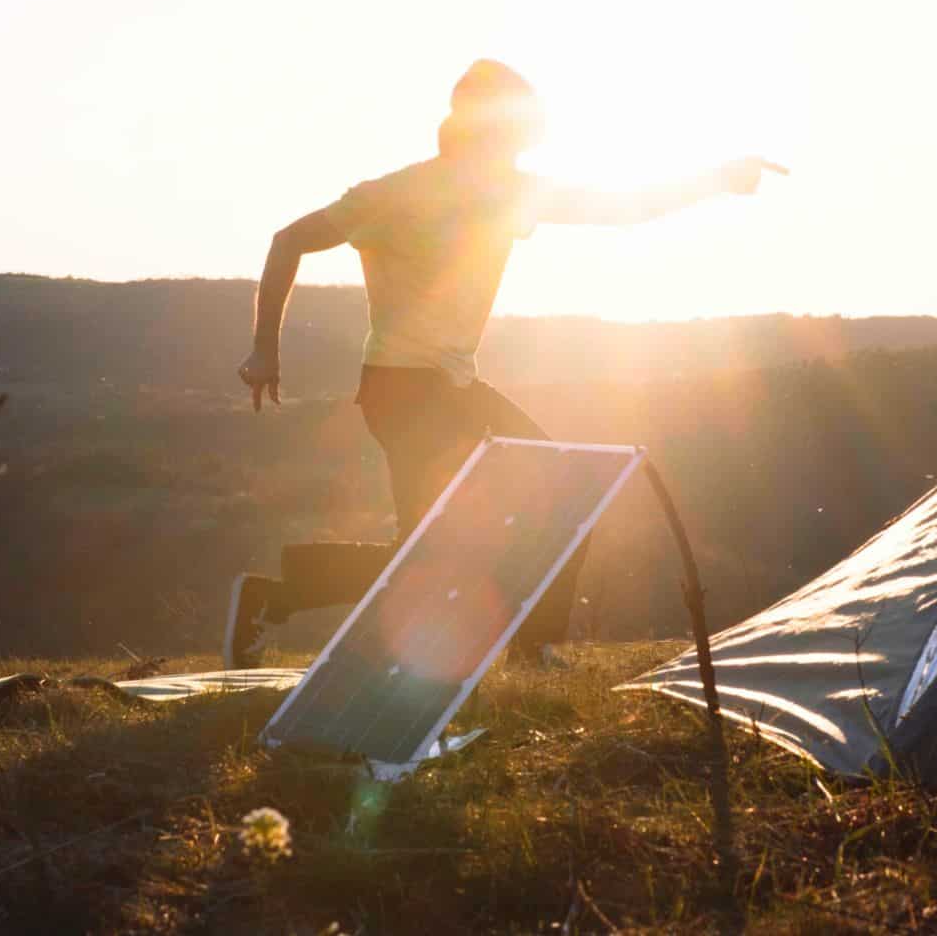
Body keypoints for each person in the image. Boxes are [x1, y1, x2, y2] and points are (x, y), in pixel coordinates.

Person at [225, 59, 783, 668]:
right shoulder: (397, 193)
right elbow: (289, 240)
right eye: (515, 133)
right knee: (431, 553)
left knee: (565, 492)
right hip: (400, 388)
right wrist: (265, 347)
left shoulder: (512, 191)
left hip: (457, 386)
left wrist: (717, 179)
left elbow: (622, 207)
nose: (522, 148)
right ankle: (276, 599)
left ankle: (532, 647)